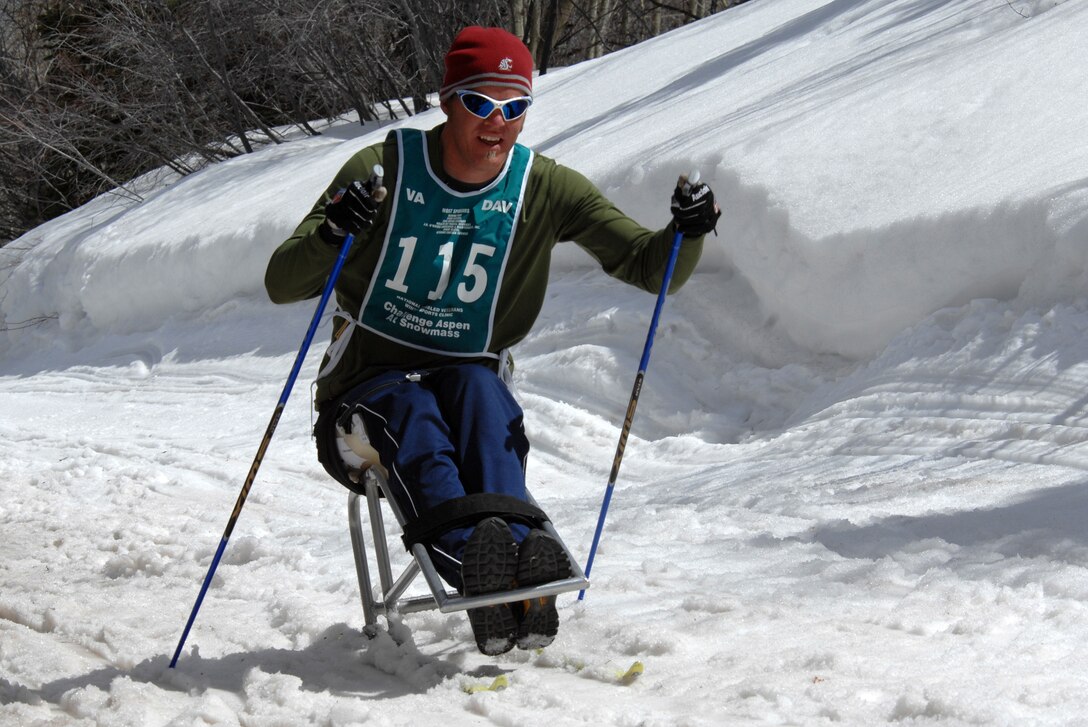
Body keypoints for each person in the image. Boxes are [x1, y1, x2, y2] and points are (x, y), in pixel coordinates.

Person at [264, 26, 720, 656]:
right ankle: (481, 565)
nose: (497, 123)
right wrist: (332, 232)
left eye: (515, 107)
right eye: (481, 103)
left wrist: (687, 231)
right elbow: (282, 282)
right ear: (449, 100)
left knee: (480, 393)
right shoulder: (383, 169)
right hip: (362, 396)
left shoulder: (543, 186)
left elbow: (648, 265)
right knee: (412, 409)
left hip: (467, 380)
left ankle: (516, 561)